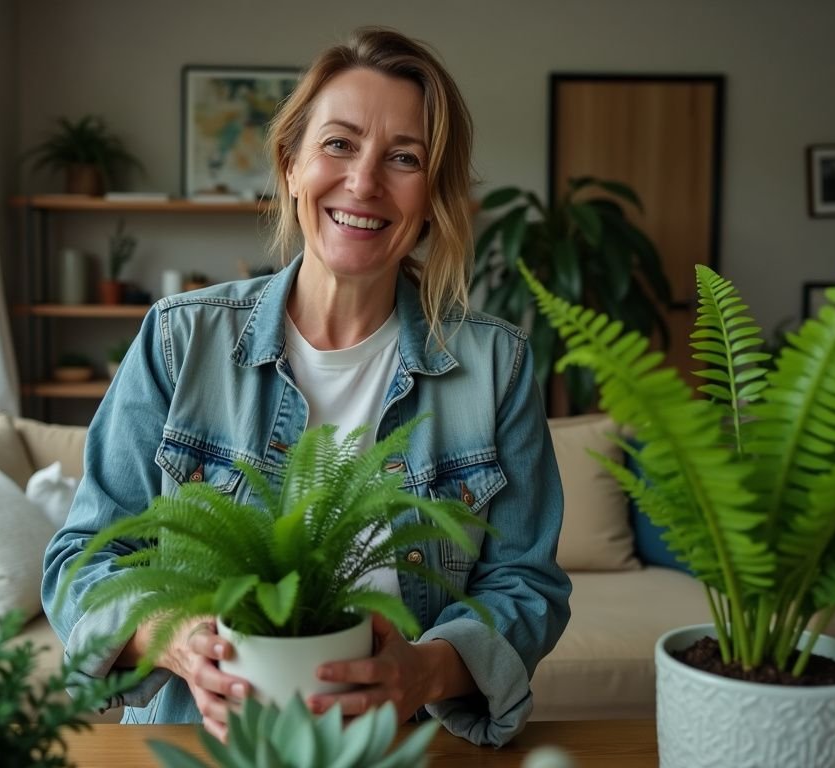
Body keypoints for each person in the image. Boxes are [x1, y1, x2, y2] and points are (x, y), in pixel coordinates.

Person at [42, 26, 570, 747]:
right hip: (198, 743)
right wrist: (173, 637)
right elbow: (82, 563)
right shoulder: (179, 338)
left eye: (404, 158)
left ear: (433, 195)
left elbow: (526, 587)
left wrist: (423, 670)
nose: (363, 182)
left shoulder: (494, 367)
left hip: (397, 746)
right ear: (291, 165)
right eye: (339, 144)